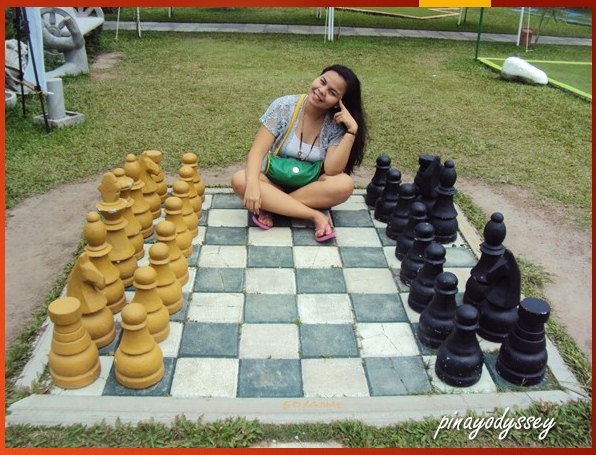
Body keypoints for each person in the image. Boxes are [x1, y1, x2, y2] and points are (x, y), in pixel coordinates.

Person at [231, 64, 367, 242]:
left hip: (310, 188)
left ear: (339, 102)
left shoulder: (336, 123)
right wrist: (253, 186)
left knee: (344, 184)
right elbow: (257, 151)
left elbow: (332, 170)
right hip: (273, 181)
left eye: (332, 92)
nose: (322, 91)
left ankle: (273, 206)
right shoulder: (284, 106)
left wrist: (351, 131)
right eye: (322, 81)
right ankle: (315, 215)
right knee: (240, 180)